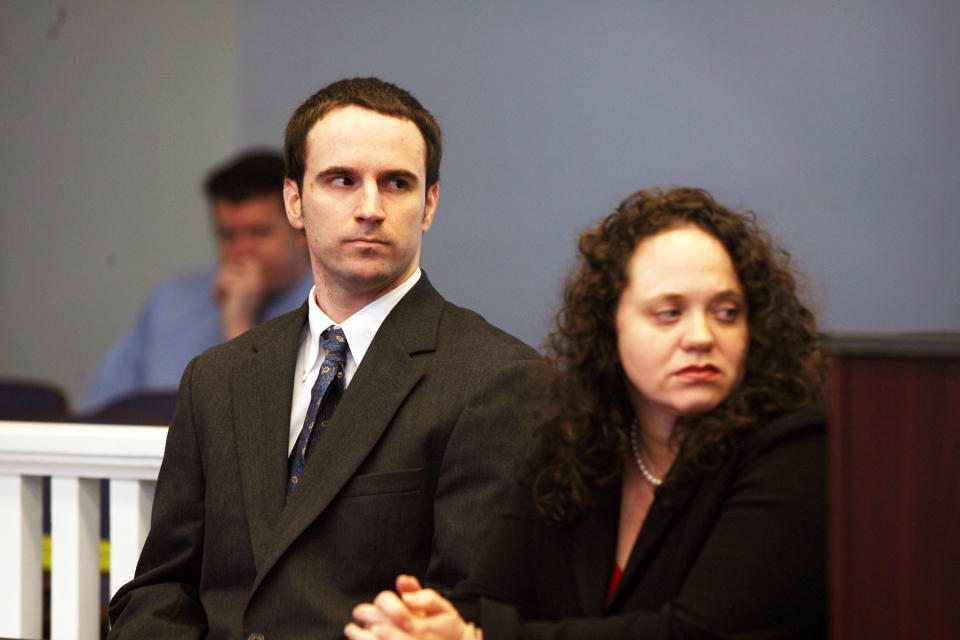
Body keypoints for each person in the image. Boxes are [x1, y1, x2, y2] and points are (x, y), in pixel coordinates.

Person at [106, 78, 543, 639]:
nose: (370, 208)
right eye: (341, 180)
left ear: (429, 204)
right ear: (295, 200)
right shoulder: (217, 378)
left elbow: (477, 608)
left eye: (396, 183)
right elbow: (162, 587)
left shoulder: (497, 380)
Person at [346, 187, 827, 639]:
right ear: (610, 328)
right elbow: (488, 600)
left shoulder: (795, 447)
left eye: (726, 311)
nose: (701, 336)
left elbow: (695, 633)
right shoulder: (578, 444)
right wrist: (428, 623)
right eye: (669, 312)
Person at [80, 150, 313, 414]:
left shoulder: (331, 306)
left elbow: (278, 430)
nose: (242, 250)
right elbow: (98, 414)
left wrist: (238, 325)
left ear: (302, 230)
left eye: (259, 233)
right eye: (227, 235)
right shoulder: (172, 300)